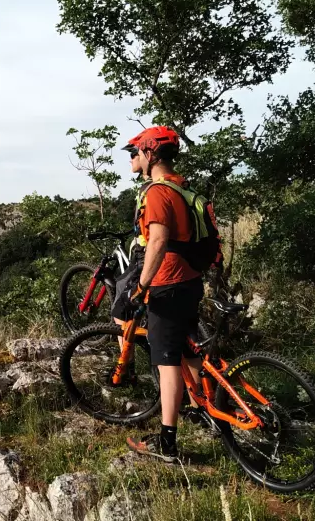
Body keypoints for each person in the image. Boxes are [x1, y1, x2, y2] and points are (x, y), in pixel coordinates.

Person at [112, 125, 206, 463]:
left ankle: (167, 443)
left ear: (150, 153)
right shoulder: (181, 186)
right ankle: (201, 408)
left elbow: (158, 241)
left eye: (136, 151)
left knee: (166, 362)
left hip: (168, 283)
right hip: (191, 279)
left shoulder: (156, 192)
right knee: (189, 347)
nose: (134, 157)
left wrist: (141, 287)